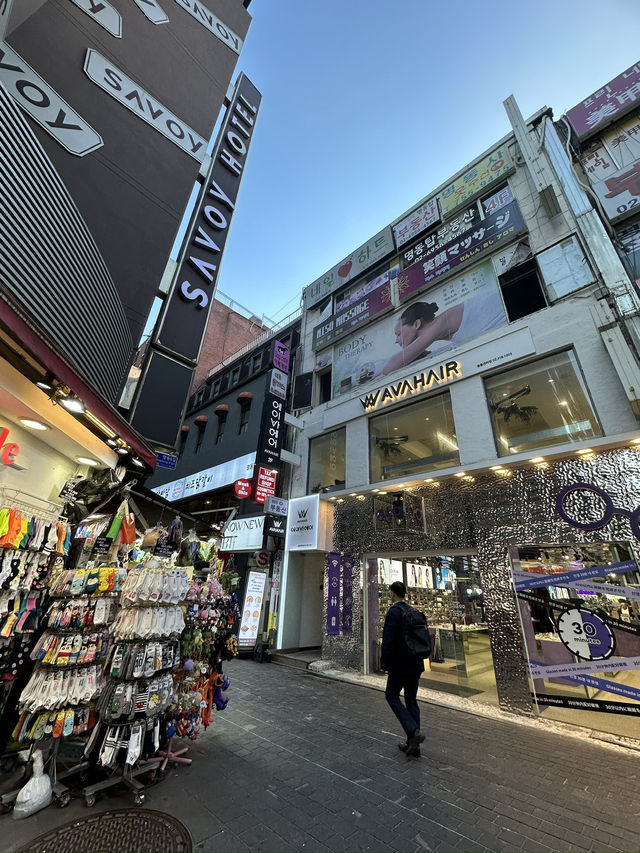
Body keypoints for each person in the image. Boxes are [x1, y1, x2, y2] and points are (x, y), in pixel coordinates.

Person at [382, 287, 506, 376]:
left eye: (398, 334)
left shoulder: (441, 322)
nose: (396, 340)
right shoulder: (448, 330)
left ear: (416, 324)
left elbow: (390, 368)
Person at [380, 581, 425, 758]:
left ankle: (413, 731)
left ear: (392, 594)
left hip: (400, 664)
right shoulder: (412, 611)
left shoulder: (394, 612)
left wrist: (384, 661)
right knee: (411, 700)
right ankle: (414, 746)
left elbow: (388, 639)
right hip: (416, 663)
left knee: (391, 695)